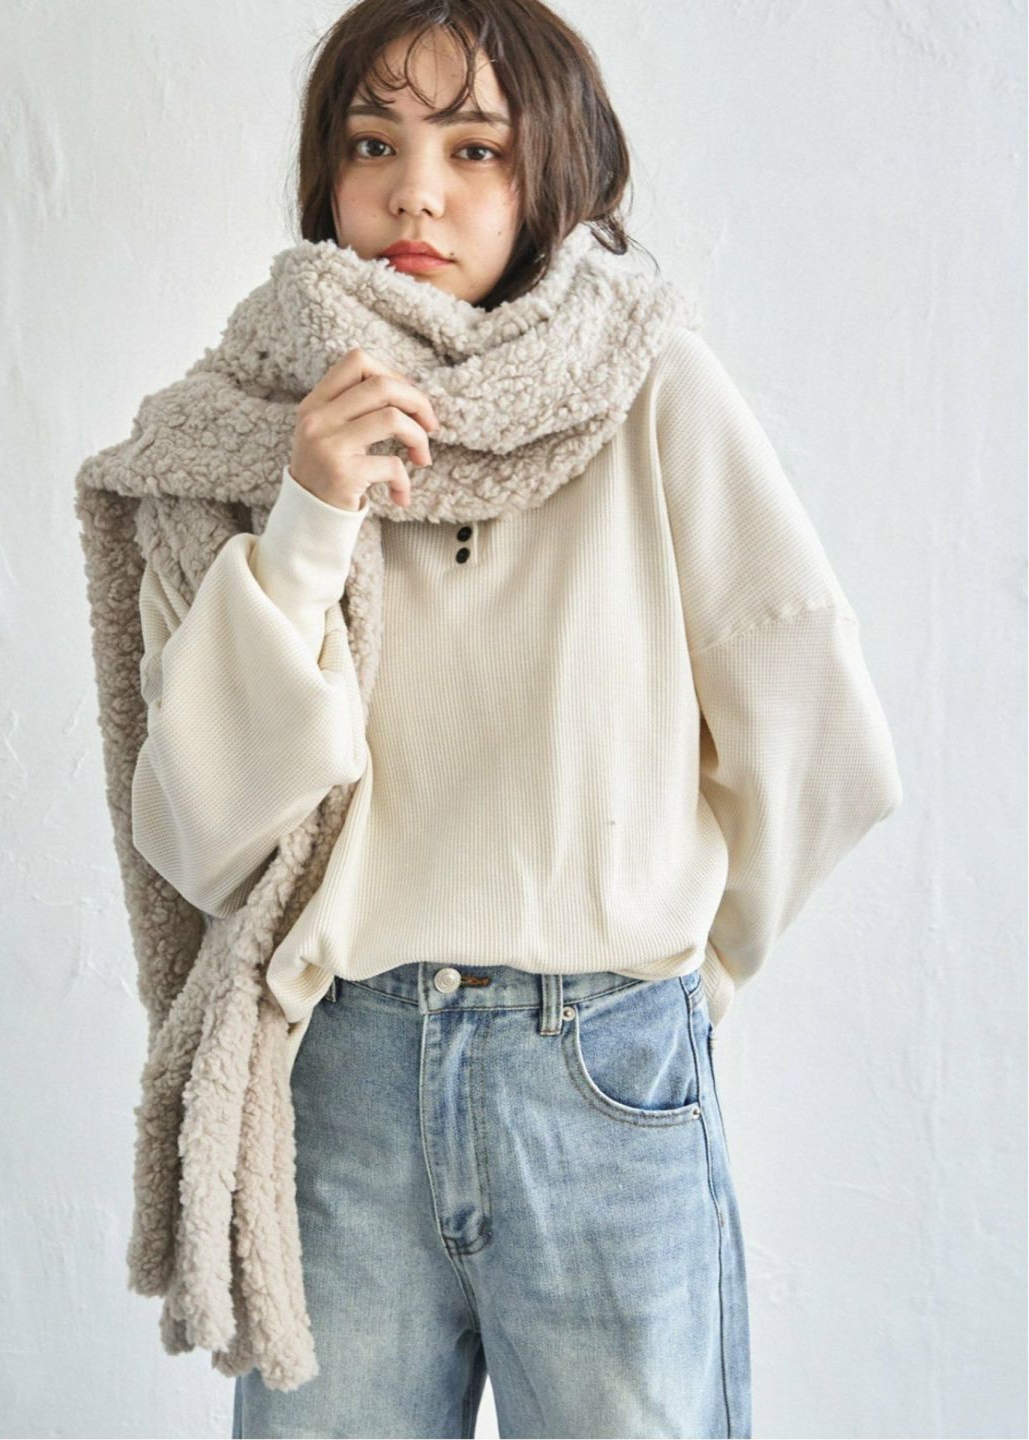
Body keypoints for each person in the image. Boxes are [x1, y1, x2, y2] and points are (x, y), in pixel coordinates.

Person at [123, 4, 903, 1437]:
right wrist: (309, 512)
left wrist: (680, 982)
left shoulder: (645, 386)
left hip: (603, 1081)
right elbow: (198, 828)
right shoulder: (254, 428)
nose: (414, 192)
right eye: (373, 144)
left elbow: (816, 729)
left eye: (473, 149)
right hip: (343, 1083)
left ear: (554, 169)